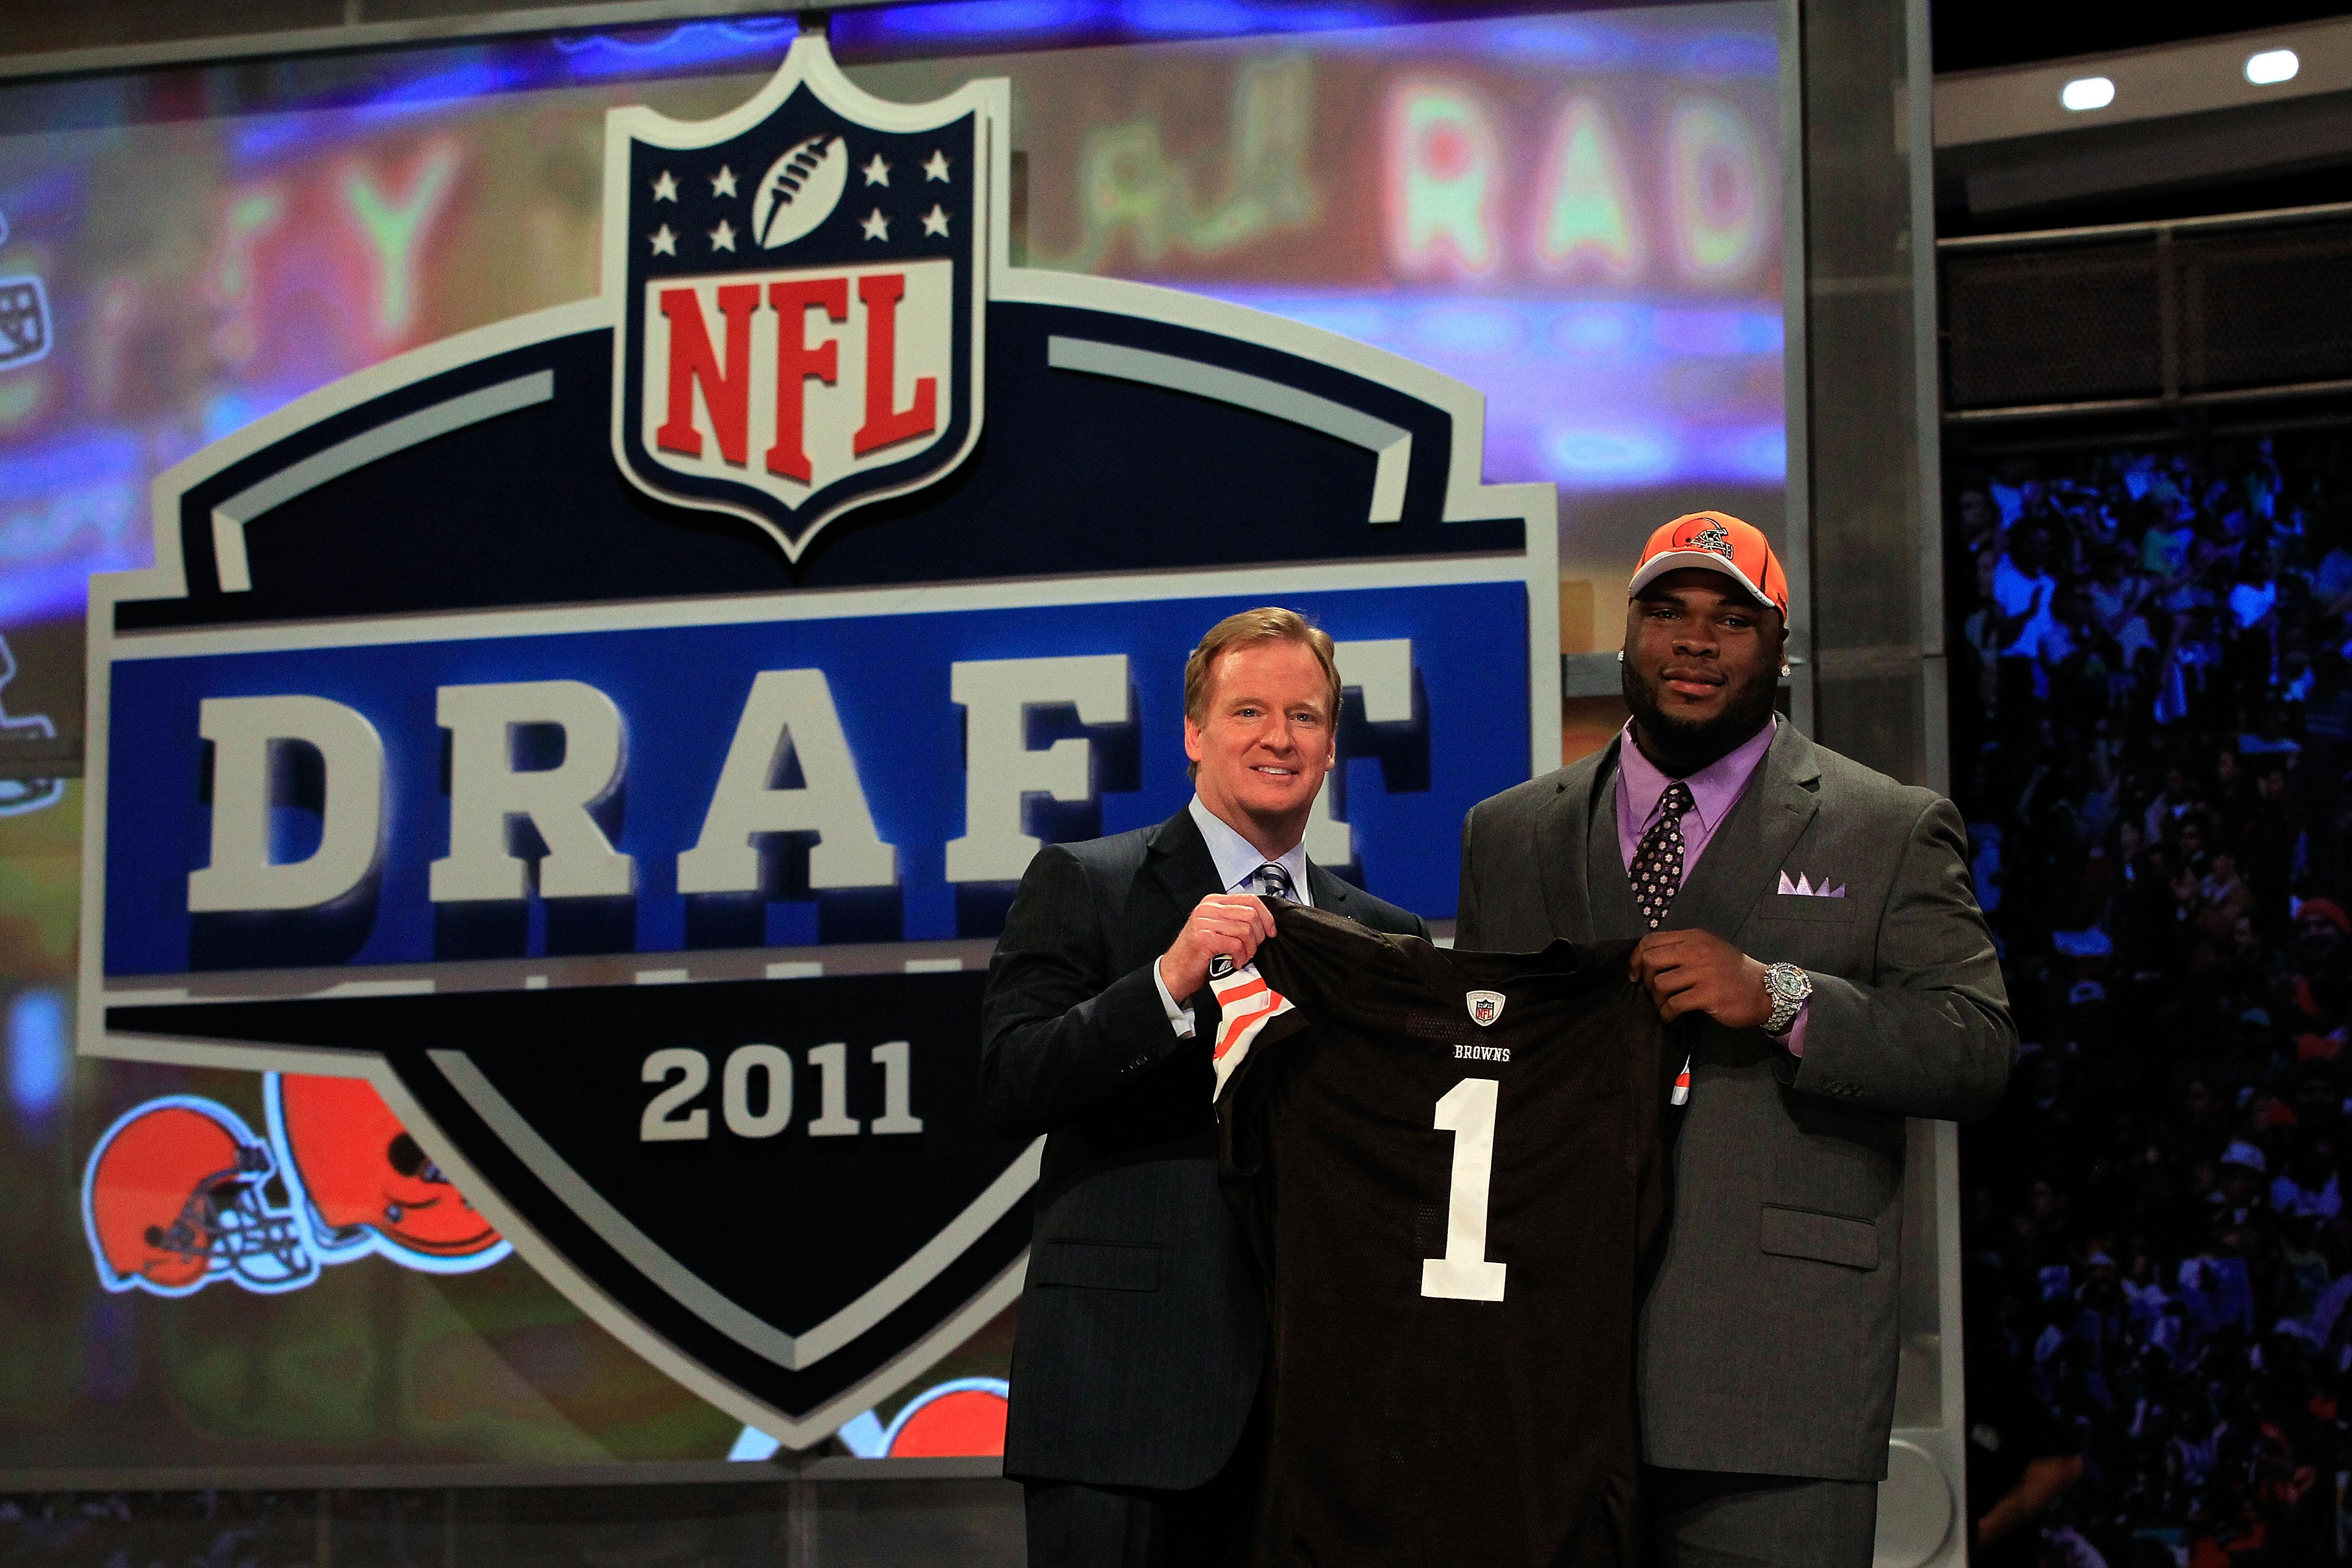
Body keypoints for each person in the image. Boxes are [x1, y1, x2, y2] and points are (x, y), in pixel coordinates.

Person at [1454, 512, 2017, 1566]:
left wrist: (1784, 995)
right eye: (1667, 612)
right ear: (1627, 633)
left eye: (1731, 619)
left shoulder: (1887, 824)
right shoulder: (1511, 831)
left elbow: (1975, 1046)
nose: (1696, 641)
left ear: (1778, 649)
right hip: (1548, 1379)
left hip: (1777, 1382)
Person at [979, 606, 1426, 1568]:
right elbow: (1011, 1081)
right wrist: (1165, 983)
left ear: (1332, 743)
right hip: (1119, 1400)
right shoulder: (1086, 882)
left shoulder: (1385, 937)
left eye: (1304, 717)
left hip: (1321, 1414)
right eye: (1249, 712)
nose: (1279, 737)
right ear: (1193, 733)